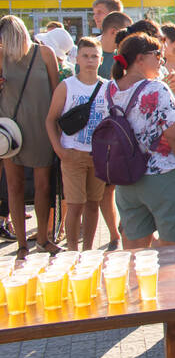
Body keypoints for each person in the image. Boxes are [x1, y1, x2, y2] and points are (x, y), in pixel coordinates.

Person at [91, 32, 175, 248]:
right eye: (156, 54)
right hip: (163, 175)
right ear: (139, 58)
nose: (161, 59)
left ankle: (136, 282)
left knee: (135, 250)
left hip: (126, 177)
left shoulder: (107, 89)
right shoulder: (155, 88)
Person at [0, 15, 60, 259]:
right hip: (10, 129)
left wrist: (57, 126)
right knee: (13, 186)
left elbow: (57, 91)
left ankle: (43, 239)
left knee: (43, 186)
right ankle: (22, 244)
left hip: (40, 125)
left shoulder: (44, 53)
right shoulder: (1, 56)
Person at [44, 37, 107, 251]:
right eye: (85, 56)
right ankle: (72, 250)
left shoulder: (107, 87)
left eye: (94, 56)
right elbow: (51, 119)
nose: (90, 60)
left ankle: (88, 250)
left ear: (100, 59)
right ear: (77, 58)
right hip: (72, 153)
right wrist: (59, 150)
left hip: (97, 156)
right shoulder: (67, 86)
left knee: (93, 204)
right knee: (75, 204)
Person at [97, 12, 132, 80]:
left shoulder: (125, 57)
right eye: (126, 32)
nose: (129, 36)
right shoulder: (89, 55)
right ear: (113, 32)